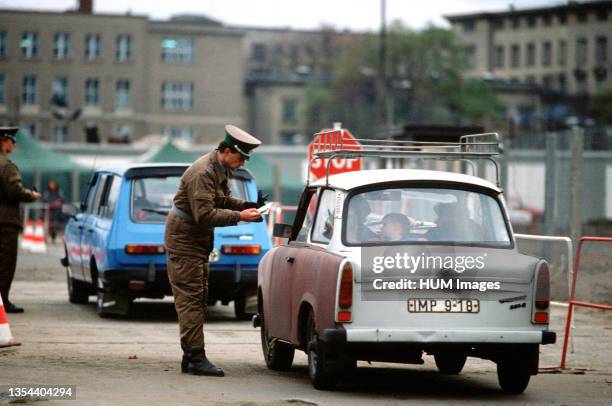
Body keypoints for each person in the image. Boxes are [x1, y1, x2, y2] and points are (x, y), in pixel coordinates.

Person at [164, 125, 264, 377]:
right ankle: (196, 358)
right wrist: (240, 216)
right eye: (240, 157)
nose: (242, 163)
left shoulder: (221, 168)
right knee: (191, 299)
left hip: (195, 239)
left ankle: (191, 356)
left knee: (198, 297)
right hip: (185, 239)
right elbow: (205, 214)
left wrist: (247, 205)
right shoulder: (203, 172)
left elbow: (217, 200)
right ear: (227, 150)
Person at [0, 127, 41, 313]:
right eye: (11, 140)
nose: (14, 144)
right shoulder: (7, 166)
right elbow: (14, 191)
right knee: (6, 263)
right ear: (3, 142)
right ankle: (3, 301)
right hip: (5, 222)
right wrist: (31, 195)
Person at [43, 178, 64, 243]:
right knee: (49, 225)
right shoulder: (47, 191)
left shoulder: (59, 191)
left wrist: (57, 202)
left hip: (57, 211)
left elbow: (62, 199)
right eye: (50, 184)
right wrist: (51, 203)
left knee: (55, 225)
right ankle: (50, 236)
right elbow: (45, 199)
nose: (52, 185)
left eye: (53, 184)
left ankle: (53, 236)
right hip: (49, 211)